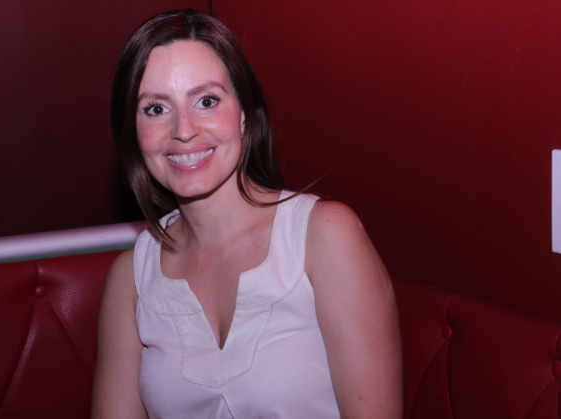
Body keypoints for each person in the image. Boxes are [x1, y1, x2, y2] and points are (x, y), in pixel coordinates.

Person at [91, 9, 402, 419]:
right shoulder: (130, 279)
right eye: (155, 109)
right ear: (133, 131)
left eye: (206, 101)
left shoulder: (325, 235)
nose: (183, 129)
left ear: (242, 113)